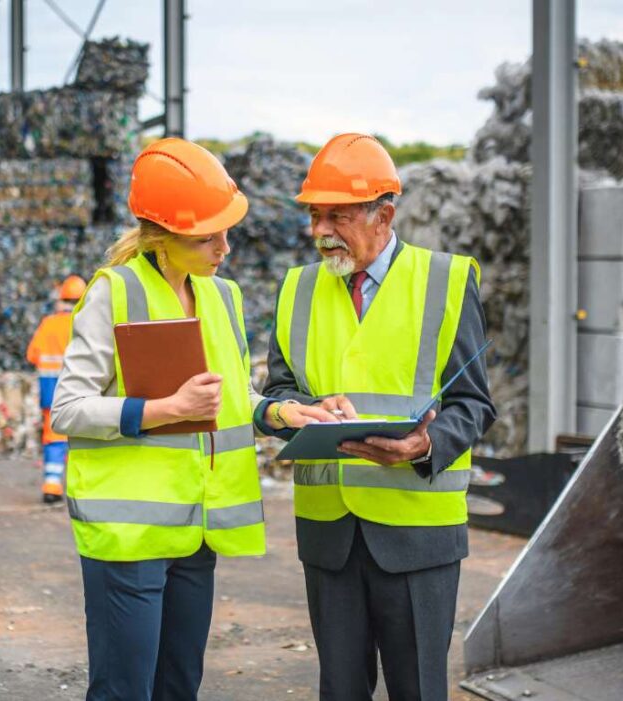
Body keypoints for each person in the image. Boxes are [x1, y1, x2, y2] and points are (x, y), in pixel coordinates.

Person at [50, 138, 330, 701]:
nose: (224, 247)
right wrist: (164, 411)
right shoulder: (115, 293)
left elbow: (230, 397)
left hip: (195, 528)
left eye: (227, 231)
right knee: (124, 690)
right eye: (208, 236)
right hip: (127, 536)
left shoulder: (220, 296)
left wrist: (276, 410)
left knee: (179, 685)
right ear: (162, 236)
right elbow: (68, 409)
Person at [257, 133, 495, 700]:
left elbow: (473, 403)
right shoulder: (297, 287)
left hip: (418, 536)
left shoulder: (445, 281)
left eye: (337, 216)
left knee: (417, 690)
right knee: (340, 690)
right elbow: (278, 391)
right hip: (329, 535)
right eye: (315, 216)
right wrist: (290, 412)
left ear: (384, 216)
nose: (320, 232)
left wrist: (423, 446)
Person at [26, 274, 87, 504]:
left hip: (51, 391)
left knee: (54, 438)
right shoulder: (85, 323)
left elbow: (32, 355)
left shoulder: (49, 323)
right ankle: (78, 489)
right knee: (81, 439)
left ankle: (52, 485)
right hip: (80, 393)